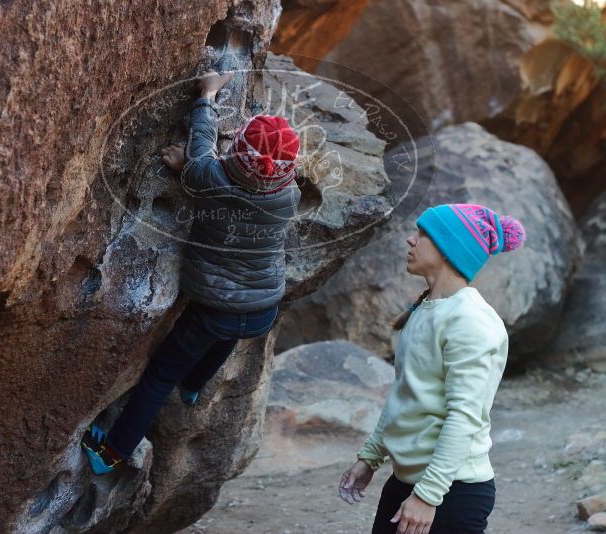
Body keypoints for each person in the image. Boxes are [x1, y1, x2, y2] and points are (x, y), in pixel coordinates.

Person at [81, 71, 302, 475]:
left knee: (158, 377)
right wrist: (195, 165)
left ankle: (110, 454)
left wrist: (206, 96)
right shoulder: (289, 194)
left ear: (234, 155)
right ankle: (195, 385)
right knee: (226, 339)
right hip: (263, 307)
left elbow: (201, 145)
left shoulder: (210, 177)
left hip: (212, 307)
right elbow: (234, 172)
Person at [338, 203, 526, 534]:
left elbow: (463, 416)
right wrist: (370, 457)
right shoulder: (427, 308)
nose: (411, 240)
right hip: (408, 484)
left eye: (423, 234)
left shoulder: (470, 321)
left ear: (448, 246)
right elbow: (405, 397)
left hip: (451, 492)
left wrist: (427, 496)